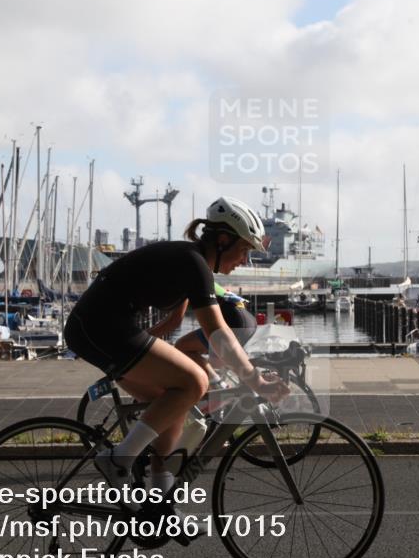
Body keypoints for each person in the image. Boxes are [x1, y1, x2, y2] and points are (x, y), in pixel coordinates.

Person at [63, 197, 289, 513]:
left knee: (174, 403)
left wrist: (158, 344)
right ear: (223, 240)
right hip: (101, 326)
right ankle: (118, 461)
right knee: (193, 381)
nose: (245, 259)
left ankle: (160, 504)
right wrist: (255, 380)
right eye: (244, 249)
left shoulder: (192, 263)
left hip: (106, 326)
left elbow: (179, 319)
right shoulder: (193, 262)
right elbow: (218, 332)